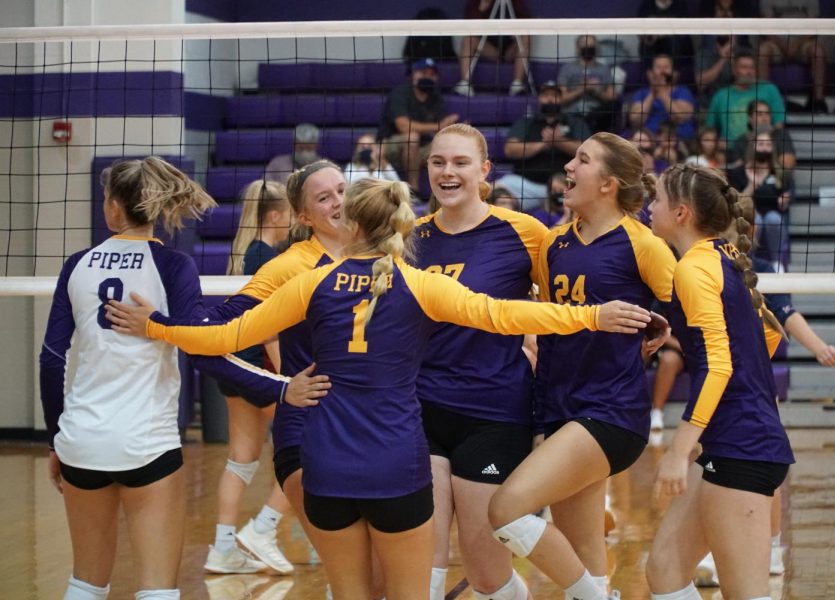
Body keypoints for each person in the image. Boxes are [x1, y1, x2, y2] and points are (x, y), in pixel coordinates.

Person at [108, 178, 653, 600]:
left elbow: (225, 336)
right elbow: (507, 315)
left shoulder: (311, 280)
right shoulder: (421, 285)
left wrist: (155, 325)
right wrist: (592, 316)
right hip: (396, 460)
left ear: (348, 224)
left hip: (327, 462)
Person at [106, 160, 348, 569]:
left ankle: (238, 540)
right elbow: (228, 325)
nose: (340, 201)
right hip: (302, 406)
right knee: (346, 562)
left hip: (362, 421)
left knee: (244, 458)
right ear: (301, 216)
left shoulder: (384, 252)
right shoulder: (287, 265)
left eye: (343, 189)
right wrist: (159, 326)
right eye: (325, 197)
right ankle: (261, 529)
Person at [487, 132, 676, 600]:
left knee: (507, 509)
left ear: (609, 183)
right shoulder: (554, 243)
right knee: (586, 551)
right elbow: (549, 318)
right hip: (559, 408)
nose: (569, 166)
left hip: (610, 410)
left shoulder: (643, 244)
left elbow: (695, 308)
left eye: (582, 160)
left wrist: (667, 326)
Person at [39, 156, 217, 600]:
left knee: (85, 582)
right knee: (157, 588)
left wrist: (54, 439)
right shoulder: (175, 266)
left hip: (82, 438)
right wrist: (156, 321)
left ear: (114, 207)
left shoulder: (77, 264)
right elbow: (199, 340)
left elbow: (49, 360)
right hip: (147, 441)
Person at [644, 162, 795, 600]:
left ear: (681, 213)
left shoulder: (694, 267)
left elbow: (719, 366)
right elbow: (766, 335)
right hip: (738, 439)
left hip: (744, 446)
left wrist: (676, 452)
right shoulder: (724, 258)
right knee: (665, 570)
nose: (650, 207)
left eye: (657, 199)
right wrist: (675, 327)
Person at [414, 123, 548, 600]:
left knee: (486, 571)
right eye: (438, 162)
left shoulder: (525, 233)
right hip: (420, 407)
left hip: (494, 411)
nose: (447, 172)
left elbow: (561, 305)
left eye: (460, 162)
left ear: (484, 171)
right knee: (419, 557)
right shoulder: (410, 239)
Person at [692, 192, 835, 588]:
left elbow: (787, 316)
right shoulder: (701, 265)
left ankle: (769, 546)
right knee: (707, 462)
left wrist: (818, 347)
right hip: (718, 381)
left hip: (750, 383)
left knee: (756, 470)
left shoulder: (756, 270)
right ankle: (720, 544)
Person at [204, 180, 295, 575]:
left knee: (242, 461)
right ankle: (263, 528)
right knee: (309, 452)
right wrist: (289, 376)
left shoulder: (245, 252)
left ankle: (223, 549)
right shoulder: (264, 258)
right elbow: (270, 328)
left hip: (234, 365)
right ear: (275, 215)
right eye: (290, 212)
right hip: (260, 367)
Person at [498, 81, 592, 213]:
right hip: (527, 184)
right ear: (539, 99)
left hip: (566, 184)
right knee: (495, 192)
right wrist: (543, 145)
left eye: (554, 95)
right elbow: (510, 149)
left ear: (561, 99)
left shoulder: (575, 122)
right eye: (545, 95)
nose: (550, 99)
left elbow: (587, 151)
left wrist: (558, 141)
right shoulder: (527, 122)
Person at [377, 58, 459, 192]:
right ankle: (413, 190)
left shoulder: (436, 98)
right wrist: (438, 126)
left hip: (419, 151)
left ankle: (446, 190)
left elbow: (442, 130)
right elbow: (403, 126)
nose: (427, 76)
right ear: (413, 75)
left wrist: (454, 129)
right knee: (412, 137)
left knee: (450, 142)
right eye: (423, 72)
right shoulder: (400, 94)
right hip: (389, 147)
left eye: (431, 74)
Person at [726, 130, 791, 268]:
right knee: (757, 221)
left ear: (772, 148)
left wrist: (784, 202)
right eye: (761, 144)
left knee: (773, 219)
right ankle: (750, 259)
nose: (764, 148)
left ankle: (777, 262)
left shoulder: (779, 172)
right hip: (749, 214)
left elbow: (784, 204)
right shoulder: (739, 172)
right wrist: (751, 186)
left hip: (773, 214)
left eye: (768, 144)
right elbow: (736, 203)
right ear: (753, 147)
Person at [706, 49, 787, 151]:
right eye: (744, 67)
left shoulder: (769, 89)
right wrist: (717, 142)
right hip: (729, 152)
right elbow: (710, 129)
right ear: (734, 70)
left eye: (752, 67)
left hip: (761, 149)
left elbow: (779, 125)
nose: (749, 72)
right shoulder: (721, 96)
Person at [758, 0, 828, 113]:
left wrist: (796, 45)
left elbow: (813, 25)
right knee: (763, 50)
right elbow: (767, 26)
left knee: (818, 52)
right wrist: (784, 45)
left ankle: (818, 101)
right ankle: (763, 101)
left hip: (803, 42)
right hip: (777, 42)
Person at [454, 0, 531, 97]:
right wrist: (482, 7)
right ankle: (465, 83)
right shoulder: (475, 3)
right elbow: (469, 25)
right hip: (490, 49)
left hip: (509, 50)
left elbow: (527, 21)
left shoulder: (514, 2)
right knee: (468, 39)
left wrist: (515, 27)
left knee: (525, 36)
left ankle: (517, 84)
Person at [557, 35, 621, 134]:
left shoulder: (604, 69)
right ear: (577, 48)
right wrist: (582, 89)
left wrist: (595, 90)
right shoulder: (567, 69)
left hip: (597, 115)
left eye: (592, 46)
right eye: (585, 46)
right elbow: (561, 98)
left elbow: (612, 97)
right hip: (573, 114)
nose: (589, 49)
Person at [626, 53, 696, 143]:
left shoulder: (683, 91)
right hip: (647, 140)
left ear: (673, 72)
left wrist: (662, 93)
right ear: (651, 72)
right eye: (658, 67)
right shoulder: (642, 93)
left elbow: (679, 117)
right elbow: (635, 120)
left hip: (678, 139)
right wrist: (652, 94)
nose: (662, 71)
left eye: (666, 67)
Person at [727, 100, 797, 172]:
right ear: (750, 118)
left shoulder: (781, 135)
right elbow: (738, 170)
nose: (764, 118)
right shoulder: (741, 141)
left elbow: (788, 165)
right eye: (759, 114)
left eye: (767, 114)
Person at [636, 0, 693, 74]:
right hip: (653, 46)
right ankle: (651, 76)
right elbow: (639, 30)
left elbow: (684, 32)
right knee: (646, 48)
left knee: (675, 43)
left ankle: (673, 77)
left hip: (675, 46)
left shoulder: (681, 5)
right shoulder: (646, 6)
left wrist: (661, 35)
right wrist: (647, 38)